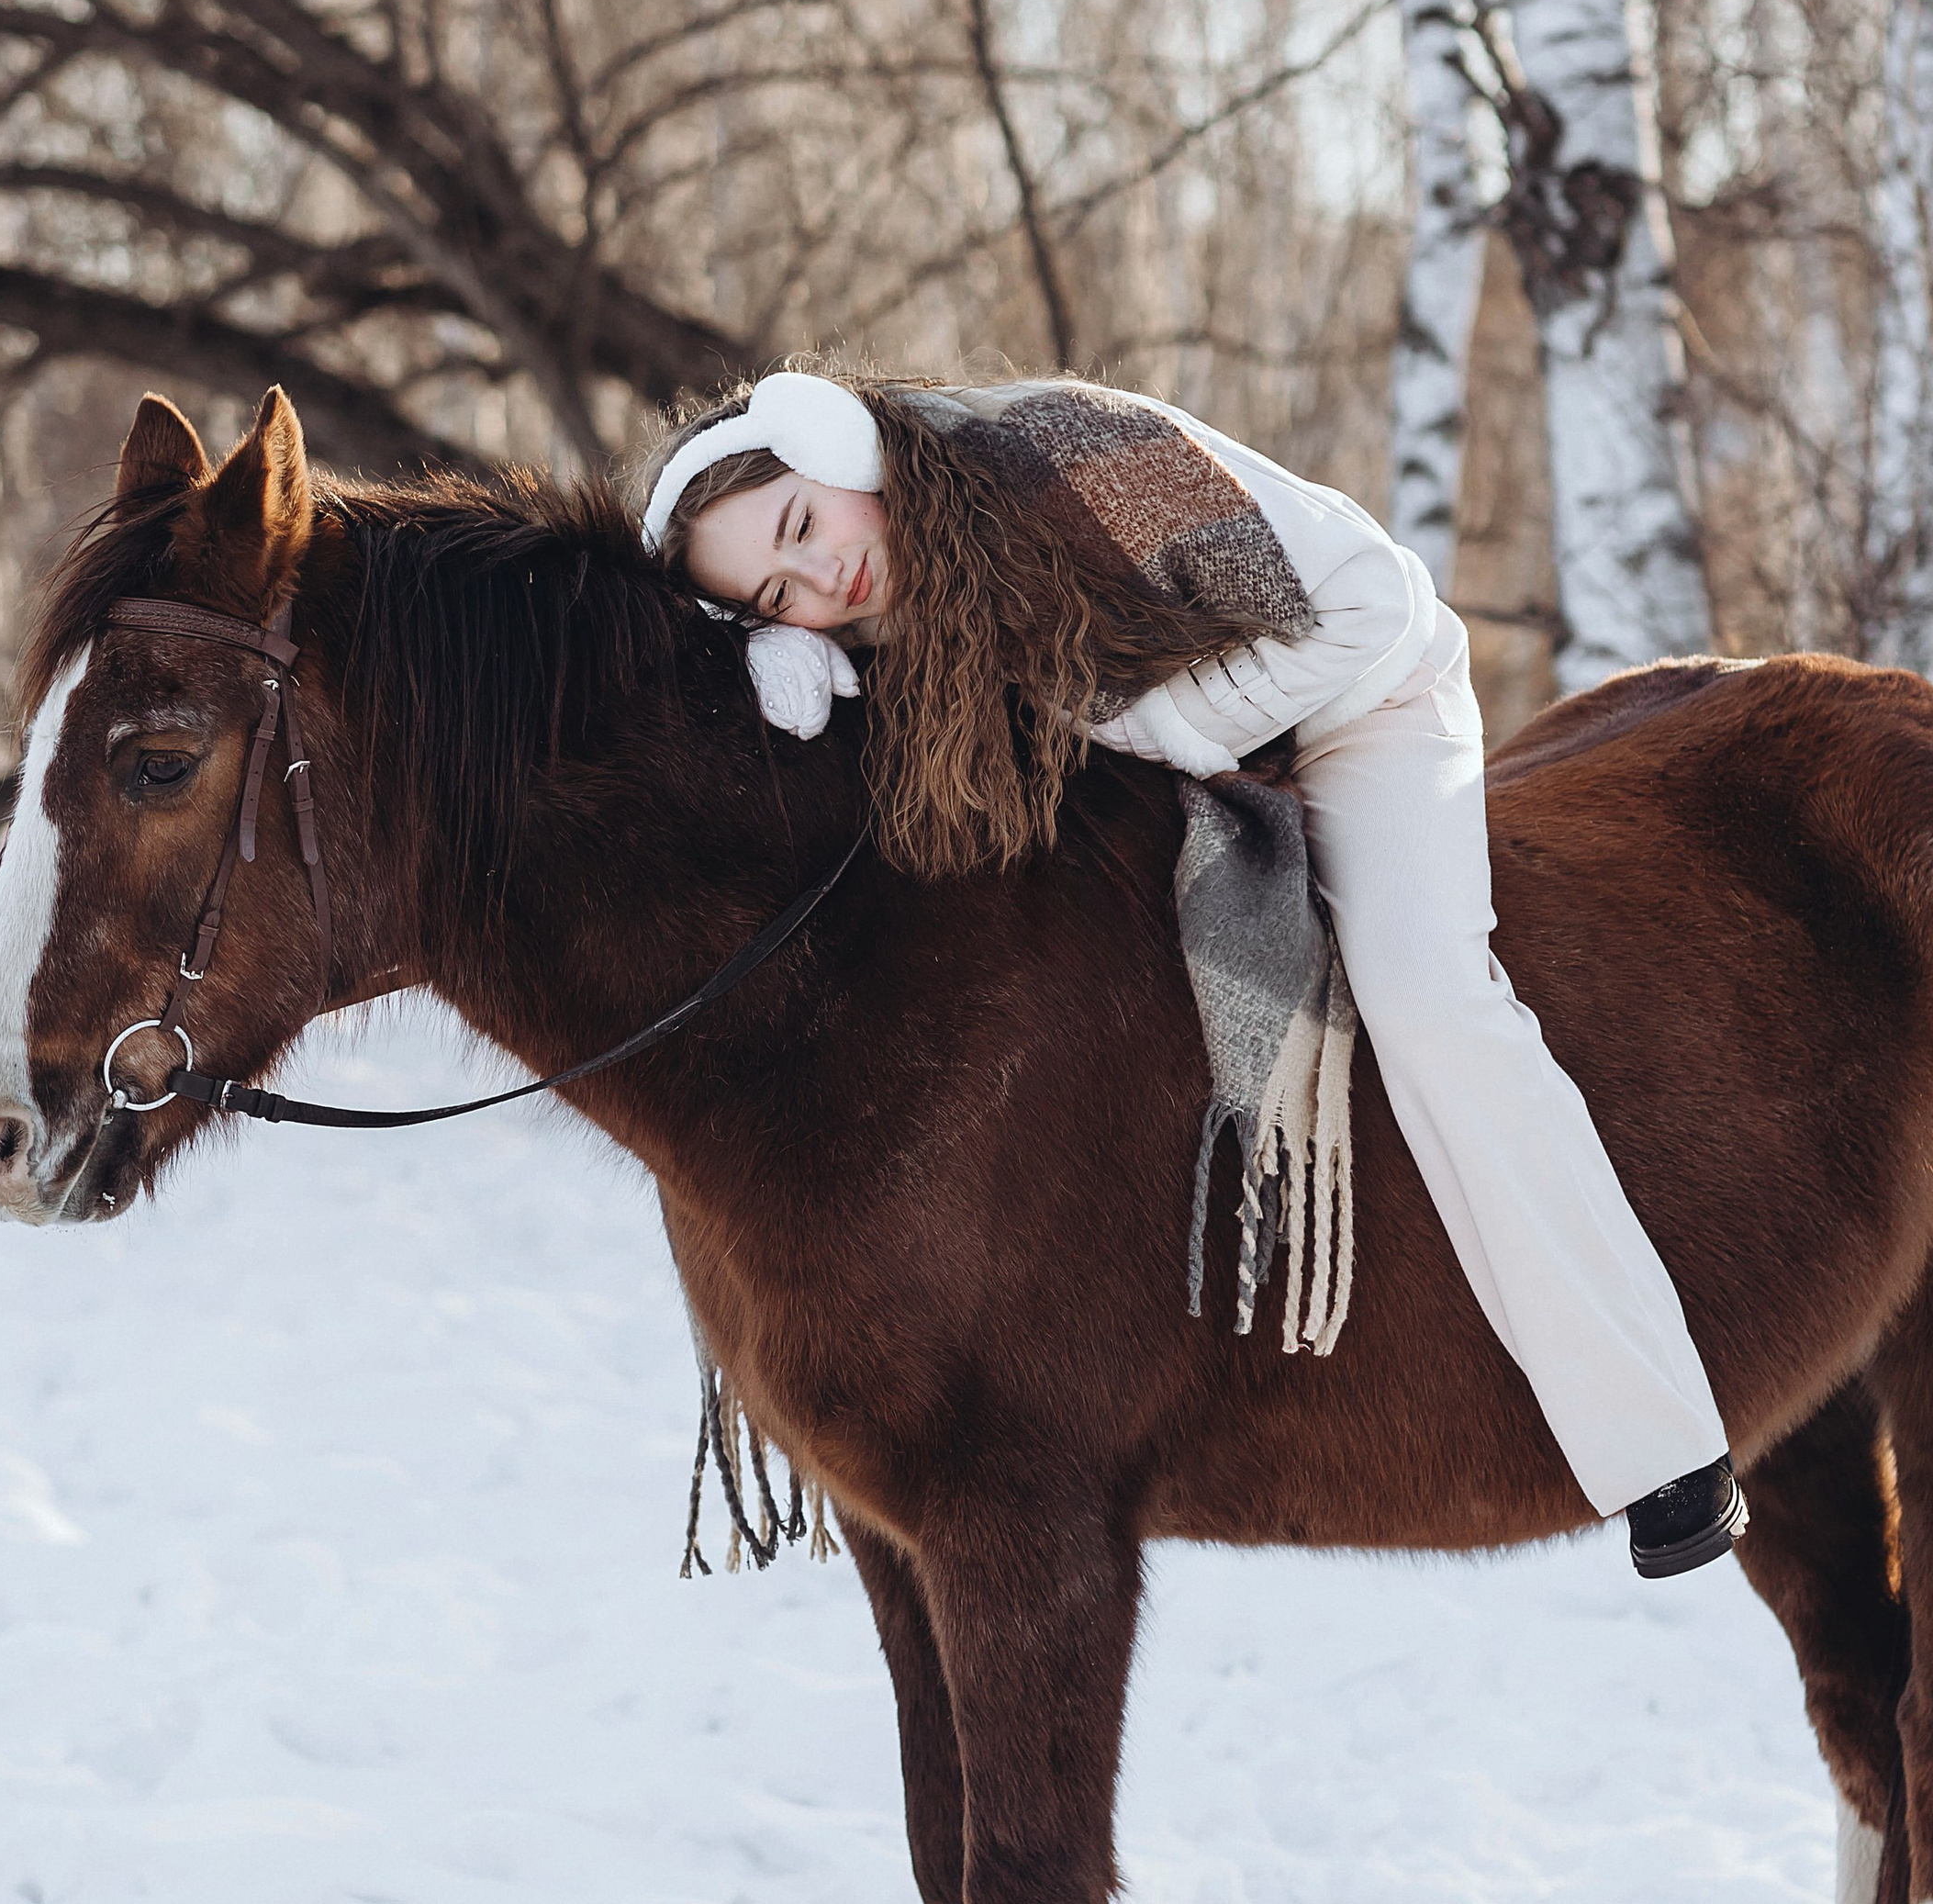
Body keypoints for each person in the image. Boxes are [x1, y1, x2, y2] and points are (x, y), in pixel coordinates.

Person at [639, 368, 1745, 1577]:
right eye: (777, 600)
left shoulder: (1071, 452)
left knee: (1431, 1005)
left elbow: (1370, 607)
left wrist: (1152, 741)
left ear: (835, 444)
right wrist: (803, 692)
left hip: (1362, 708)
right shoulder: (880, 606)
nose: (821, 583)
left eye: (802, 528)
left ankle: (1665, 1445)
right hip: (1178, 771)